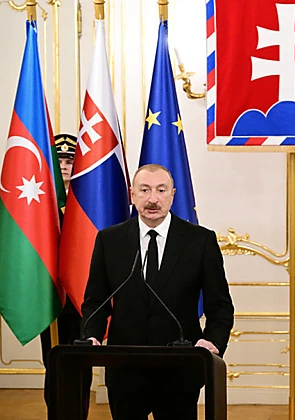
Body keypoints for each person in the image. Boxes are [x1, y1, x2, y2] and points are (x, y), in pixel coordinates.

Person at [81, 163, 234, 420]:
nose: (153, 199)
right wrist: (91, 335)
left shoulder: (200, 241)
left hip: (181, 369)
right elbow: (95, 301)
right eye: (145, 190)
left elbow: (220, 306)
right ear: (132, 195)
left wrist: (212, 342)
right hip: (125, 370)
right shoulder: (109, 240)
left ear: (173, 195)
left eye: (161, 190)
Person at [40, 133, 93, 417]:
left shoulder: (89, 202)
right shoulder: (41, 205)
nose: (63, 166)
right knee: (54, 363)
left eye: (69, 161)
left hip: (83, 297)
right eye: (59, 161)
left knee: (82, 364)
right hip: (50, 296)